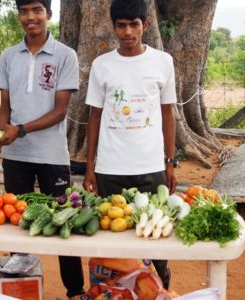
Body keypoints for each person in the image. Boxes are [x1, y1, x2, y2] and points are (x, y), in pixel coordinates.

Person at [0, 0, 86, 298]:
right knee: (19, 221)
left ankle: (75, 291)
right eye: (23, 11)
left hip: (51, 156)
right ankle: (20, 288)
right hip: (15, 156)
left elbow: (59, 112)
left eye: (36, 10)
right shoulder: (9, 56)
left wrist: (20, 130)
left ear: (49, 14)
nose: (30, 17)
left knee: (63, 222)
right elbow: (4, 108)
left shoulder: (65, 56)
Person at [82, 0, 178, 290]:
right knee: (109, 244)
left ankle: (159, 293)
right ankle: (108, 294)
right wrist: (90, 168)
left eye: (134, 24)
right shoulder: (102, 65)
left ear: (145, 25)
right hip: (110, 169)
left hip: (151, 169)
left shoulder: (163, 62)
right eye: (121, 25)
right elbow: (95, 117)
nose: (127, 31)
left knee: (157, 245)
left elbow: (167, 114)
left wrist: (170, 163)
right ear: (113, 27)